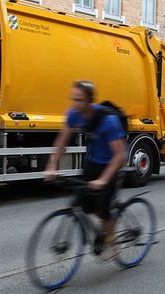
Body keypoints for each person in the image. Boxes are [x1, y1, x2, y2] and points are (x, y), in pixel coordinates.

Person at [45, 80, 127, 261]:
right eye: (73, 99)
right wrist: (52, 166)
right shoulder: (74, 114)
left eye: (79, 100)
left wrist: (104, 180)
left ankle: (113, 243)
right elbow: (62, 141)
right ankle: (103, 228)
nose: (75, 104)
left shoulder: (108, 121)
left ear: (90, 101)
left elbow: (119, 155)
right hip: (92, 163)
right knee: (83, 202)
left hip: (111, 164)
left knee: (103, 207)